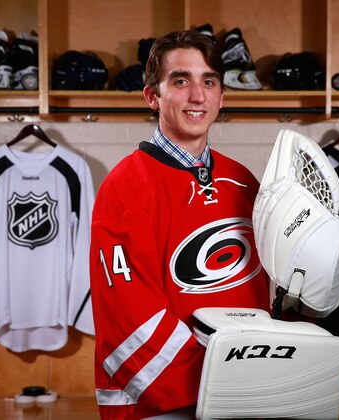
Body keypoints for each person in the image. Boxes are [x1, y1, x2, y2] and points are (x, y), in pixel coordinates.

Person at [89, 30, 270, 419]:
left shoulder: (243, 181)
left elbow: (261, 294)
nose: (198, 96)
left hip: (245, 394)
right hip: (163, 401)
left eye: (209, 81)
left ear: (222, 95)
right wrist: (214, 382)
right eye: (181, 80)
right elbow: (128, 314)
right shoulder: (124, 186)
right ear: (153, 96)